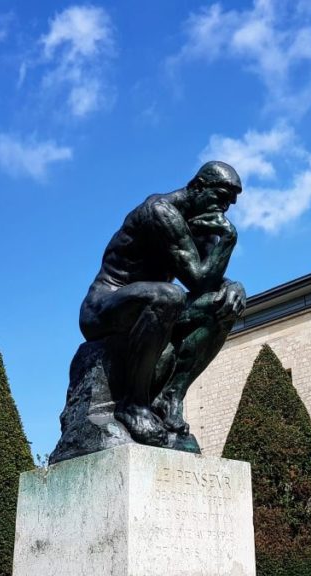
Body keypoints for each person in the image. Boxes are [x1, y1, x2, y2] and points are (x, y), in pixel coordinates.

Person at [79, 161, 246, 446]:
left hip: (155, 307)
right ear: (197, 187)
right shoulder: (160, 211)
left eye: (229, 203)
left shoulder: (202, 226)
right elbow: (197, 279)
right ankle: (133, 404)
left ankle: (170, 397)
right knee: (170, 295)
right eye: (220, 197)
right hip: (105, 306)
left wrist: (234, 287)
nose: (224, 209)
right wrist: (229, 238)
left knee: (224, 304)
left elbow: (211, 279)